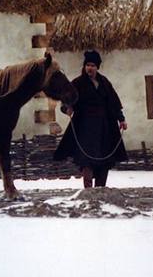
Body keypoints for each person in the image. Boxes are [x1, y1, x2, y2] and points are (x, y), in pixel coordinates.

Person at [53, 50, 128, 188]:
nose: (90, 68)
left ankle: (100, 190)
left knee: (104, 159)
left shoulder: (104, 82)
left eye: (93, 65)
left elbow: (114, 103)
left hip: (105, 128)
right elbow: (66, 101)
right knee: (86, 159)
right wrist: (67, 108)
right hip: (85, 128)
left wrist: (121, 119)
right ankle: (88, 193)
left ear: (97, 67)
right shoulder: (77, 83)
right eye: (87, 65)